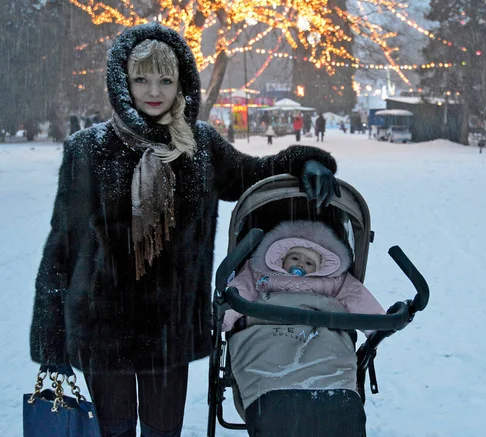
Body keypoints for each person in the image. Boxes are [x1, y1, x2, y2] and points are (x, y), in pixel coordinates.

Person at [29, 22, 340, 437]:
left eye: (165, 78)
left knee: (163, 430)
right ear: (123, 82)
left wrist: (304, 159)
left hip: (169, 329)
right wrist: (51, 339)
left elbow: (252, 174)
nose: (153, 90)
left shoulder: (200, 145)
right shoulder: (89, 149)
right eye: (141, 79)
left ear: (182, 83)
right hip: (103, 325)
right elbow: (61, 246)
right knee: (114, 428)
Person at [223, 220, 386, 437]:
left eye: (309, 262)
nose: (301, 264)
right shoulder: (260, 273)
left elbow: (357, 297)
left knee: (332, 356)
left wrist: (377, 323)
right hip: (265, 330)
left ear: (321, 266)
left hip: (321, 333)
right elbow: (240, 291)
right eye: (295, 257)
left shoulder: (334, 281)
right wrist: (224, 316)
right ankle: (273, 401)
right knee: (266, 366)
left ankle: (334, 398)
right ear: (282, 257)